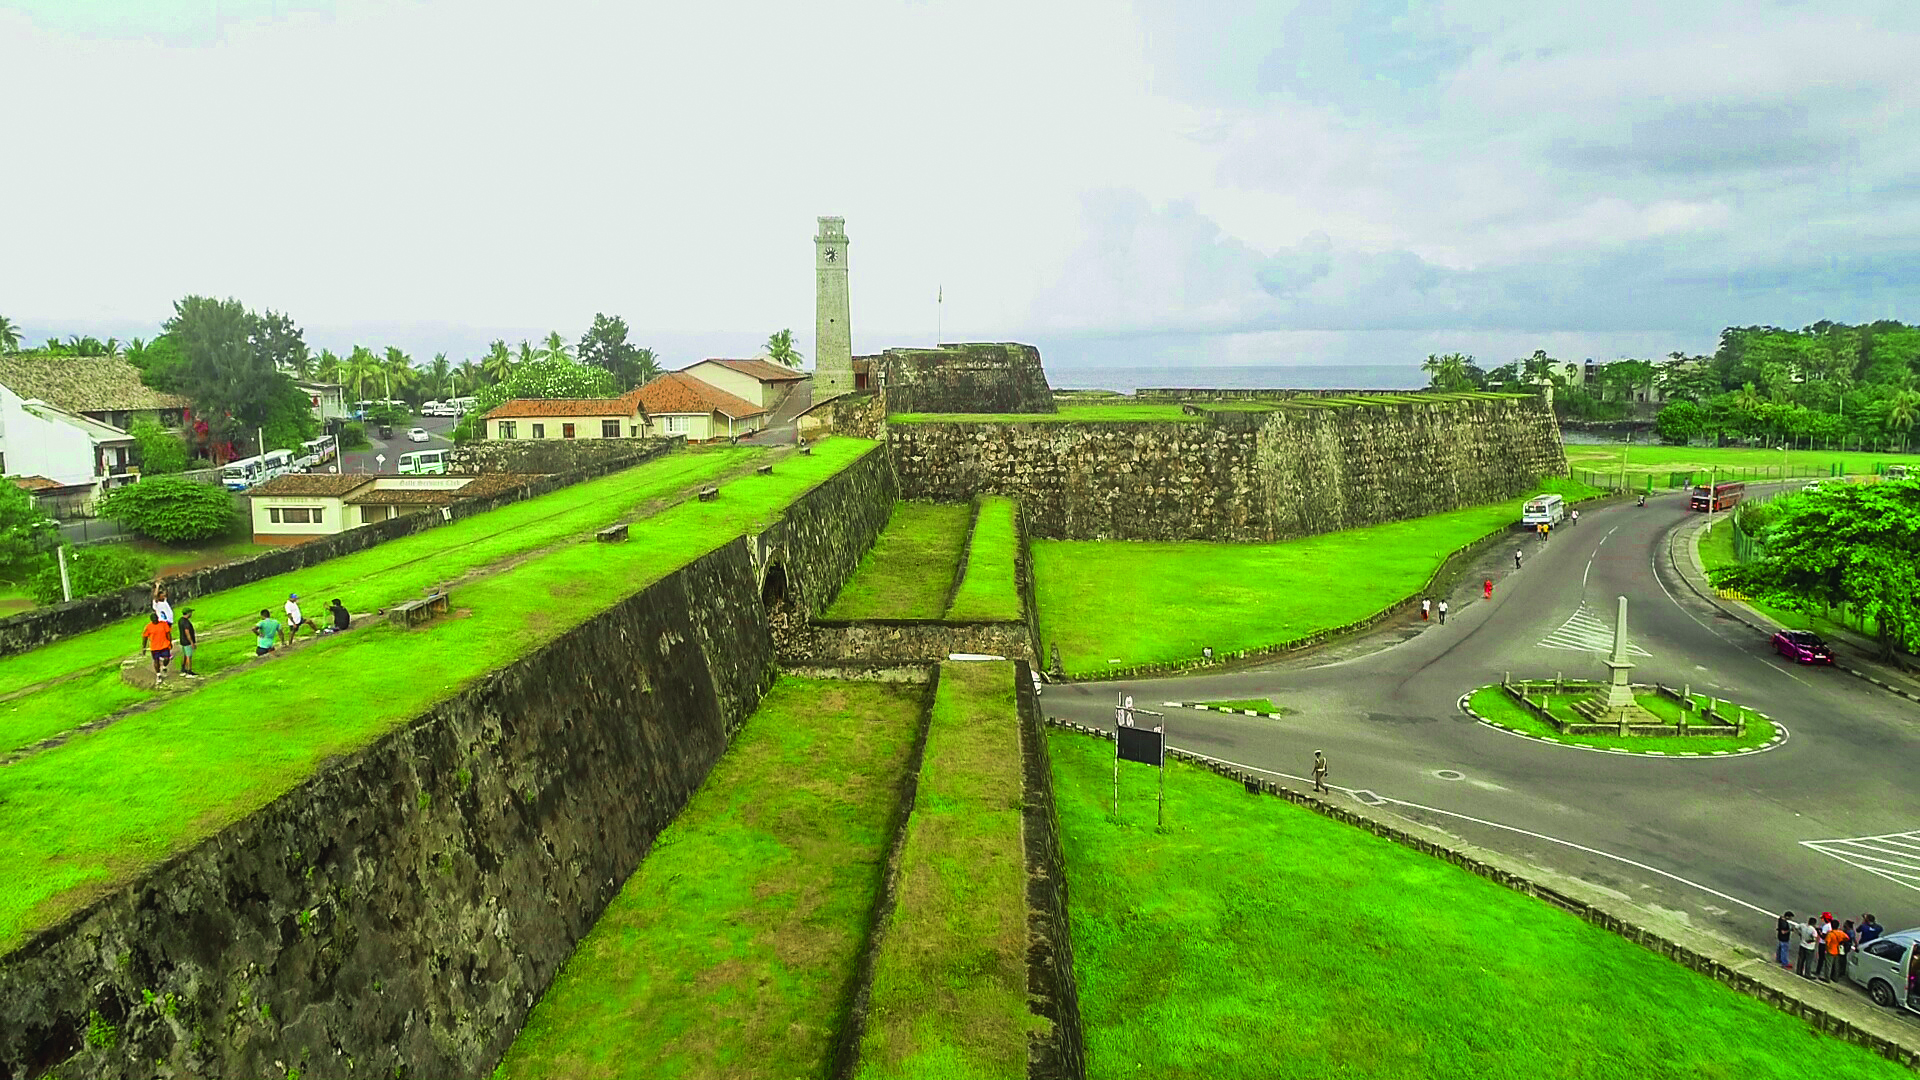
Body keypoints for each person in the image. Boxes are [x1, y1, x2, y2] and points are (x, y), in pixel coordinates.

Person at [140, 613, 172, 683]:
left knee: (167, 658)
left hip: (164, 645)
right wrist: (144, 648)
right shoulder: (148, 627)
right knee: (156, 661)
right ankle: (158, 674)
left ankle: (164, 666)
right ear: (151, 620)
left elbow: (168, 633)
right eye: (154, 619)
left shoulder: (163, 624)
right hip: (155, 647)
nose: (155, 620)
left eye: (156, 618)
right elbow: (145, 637)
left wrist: (170, 642)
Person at [177, 607, 198, 678]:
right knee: (189, 656)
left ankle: (183, 669)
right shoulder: (186, 622)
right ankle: (189, 670)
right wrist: (192, 642)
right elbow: (187, 632)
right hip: (187, 641)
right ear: (188, 613)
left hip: (182, 640)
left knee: (185, 655)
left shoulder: (180, 620)